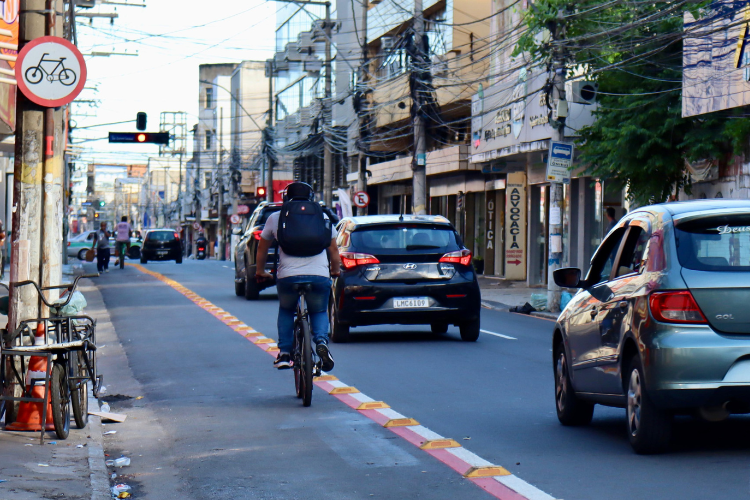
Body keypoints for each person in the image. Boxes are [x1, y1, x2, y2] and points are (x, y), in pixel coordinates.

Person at [255, 182, 341, 371]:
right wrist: (335, 270)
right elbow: (333, 249)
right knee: (318, 311)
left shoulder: (275, 218)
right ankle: (321, 342)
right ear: (311, 198)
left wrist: (260, 271)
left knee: (287, 309)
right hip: (319, 276)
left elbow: (262, 247)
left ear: (286, 198)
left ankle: (285, 353)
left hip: (287, 277)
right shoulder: (322, 216)